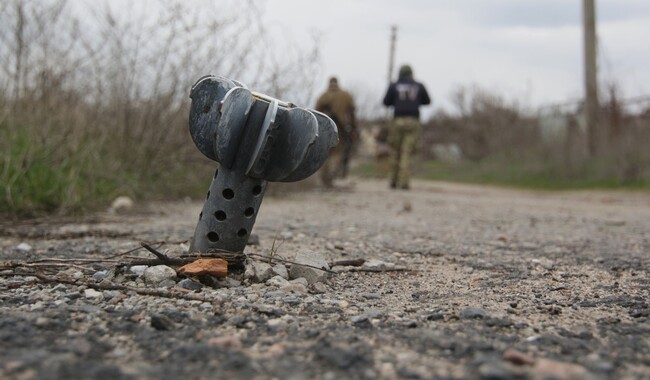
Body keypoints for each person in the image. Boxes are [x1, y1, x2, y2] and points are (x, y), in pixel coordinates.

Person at [382, 64, 431, 190]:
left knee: (395, 150)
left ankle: (393, 180)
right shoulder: (419, 86)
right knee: (407, 151)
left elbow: (386, 102)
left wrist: (397, 101)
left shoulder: (394, 85)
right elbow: (427, 101)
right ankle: (404, 182)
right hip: (413, 121)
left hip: (397, 121)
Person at [315, 77, 357, 187]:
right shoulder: (345, 96)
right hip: (340, 129)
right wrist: (353, 128)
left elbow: (316, 113)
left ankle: (325, 179)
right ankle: (330, 178)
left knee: (326, 153)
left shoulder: (322, 96)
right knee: (338, 153)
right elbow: (352, 113)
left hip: (324, 128)